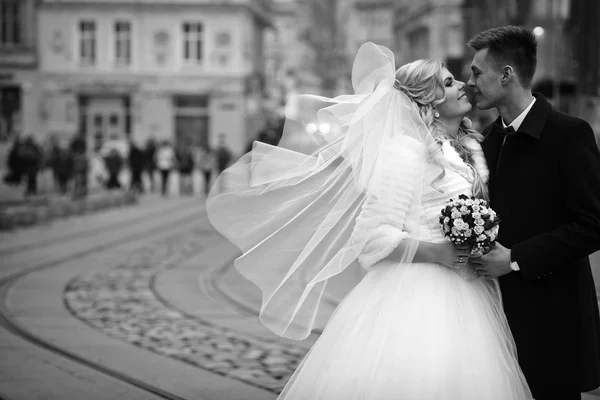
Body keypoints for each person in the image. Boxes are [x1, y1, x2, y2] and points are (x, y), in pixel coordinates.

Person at [206, 43, 532, 399]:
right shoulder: (405, 151)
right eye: (449, 82)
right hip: (417, 295)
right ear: (429, 100)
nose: (462, 86)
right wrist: (435, 253)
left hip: (471, 292)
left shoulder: (469, 147)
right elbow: (372, 237)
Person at [466, 26, 600, 400]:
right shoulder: (488, 140)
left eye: (477, 73)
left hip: (554, 320)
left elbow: (593, 225)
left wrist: (514, 259)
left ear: (506, 74)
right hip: (496, 318)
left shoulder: (569, 134)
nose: (470, 82)